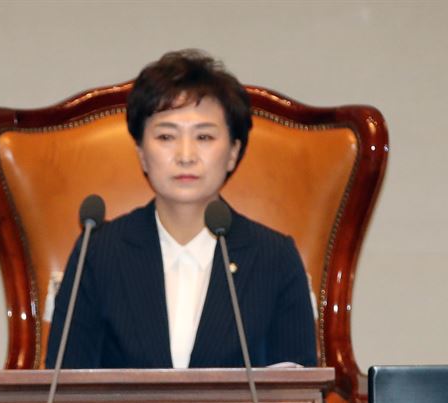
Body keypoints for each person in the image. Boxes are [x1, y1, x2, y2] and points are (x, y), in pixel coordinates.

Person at [45, 50, 317, 372]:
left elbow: (301, 400)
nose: (185, 155)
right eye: (166, 136)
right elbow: (64, 390)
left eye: (204, 136)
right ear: (142, 154)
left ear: (233, 152)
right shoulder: (100, 252)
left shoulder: (274, 257)